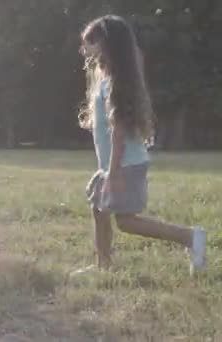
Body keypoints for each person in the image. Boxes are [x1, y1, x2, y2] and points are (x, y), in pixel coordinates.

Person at [76, 15, 206, 274]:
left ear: (108, 44)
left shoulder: (117, 83)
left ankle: (191, 237)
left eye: (91, 42)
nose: (85, 49)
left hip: (125, 163)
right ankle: (103, 265)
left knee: (125, 221)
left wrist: (113, 173)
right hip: (114, 163)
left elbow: (119, 133)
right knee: (98, 209)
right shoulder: (107, 76)